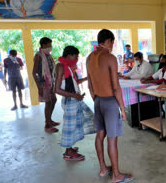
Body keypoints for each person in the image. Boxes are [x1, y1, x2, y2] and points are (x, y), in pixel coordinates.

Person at [87, 29, 134, 182]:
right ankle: (116, 175)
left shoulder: (89, 58)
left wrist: (96, 100)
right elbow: (115, 87)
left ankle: (103, 169)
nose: (112, 45)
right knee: (112, 139)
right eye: (112, 42)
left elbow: (89, 84)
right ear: (108, 41)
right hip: (110, 102)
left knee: (100, 135)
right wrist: (122, 108)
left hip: (98, 100)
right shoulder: (110, 58)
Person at [55, 46, 95, 161]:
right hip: (70, 101)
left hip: (74, 100)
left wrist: (87, 78)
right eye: (76, 56)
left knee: (74, 125)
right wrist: (75, 95)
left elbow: (74, 83)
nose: (77, 59)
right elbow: (57, 89)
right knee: (69, 127)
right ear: (69, 55)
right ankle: (68, 153)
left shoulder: (67, 67)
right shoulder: (61, 66)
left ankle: (70, 148)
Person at [32, 37, 59, 133]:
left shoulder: (48, 55)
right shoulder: (39, 56)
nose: (50, 47)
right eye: (49, 45)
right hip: (44, 83)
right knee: (48, 102)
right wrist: (39, 87)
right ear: (43, 45)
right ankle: (47, 125)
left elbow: (52, 70)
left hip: (50, 82)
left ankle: (49, 120)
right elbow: (33, 73)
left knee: (54, 100)